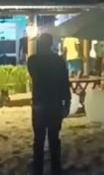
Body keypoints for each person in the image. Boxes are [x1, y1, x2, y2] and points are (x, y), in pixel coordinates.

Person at [27, 33, 70, 175]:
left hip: (39, 104)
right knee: (54, 138)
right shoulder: (58, 61)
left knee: (38, 139)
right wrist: (67, 103)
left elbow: (34, 74)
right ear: (51, 44)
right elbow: (65, 84)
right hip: (55, 104)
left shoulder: (33, 60)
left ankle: (38, 168)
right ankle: (55, 168)